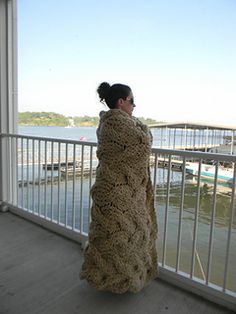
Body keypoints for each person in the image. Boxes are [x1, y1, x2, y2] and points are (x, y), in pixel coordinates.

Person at [80, 82, 158, 293]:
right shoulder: (118, 125)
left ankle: (112, 277)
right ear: (121, 102)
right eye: (132, 101)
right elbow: (143, 143)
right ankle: (119, 279)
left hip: (113, 187)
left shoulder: (106, 123)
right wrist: (143, 127)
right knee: (121, 235)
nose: (135, 106)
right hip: (119, 192)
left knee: (112, 234)